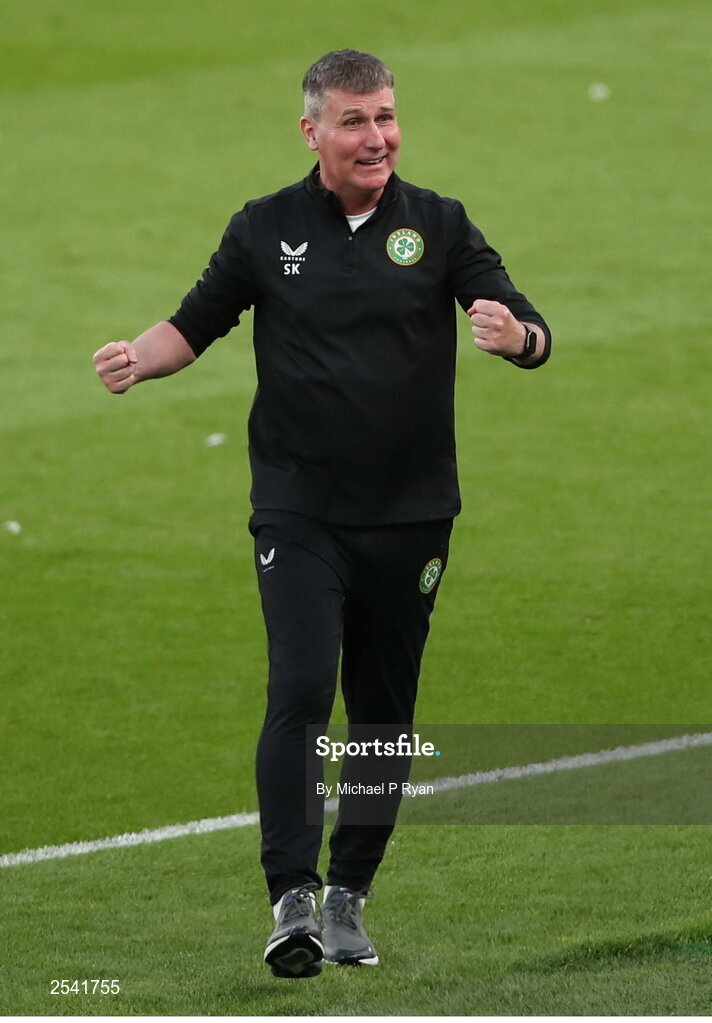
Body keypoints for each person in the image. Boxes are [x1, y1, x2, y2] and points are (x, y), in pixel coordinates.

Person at [93, 48, 551, 979]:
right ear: (313, 131)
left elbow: (527, 325)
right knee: (302, 687)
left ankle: (350, 896)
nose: (376, 136)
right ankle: (291, 897)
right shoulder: (265, 227)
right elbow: (197, 321)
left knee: (383, 715)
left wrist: (516, 338)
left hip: (413, 515)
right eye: (355, 120)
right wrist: (138, 357)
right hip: (299, 510)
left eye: (385, 116)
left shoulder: (439, 223)